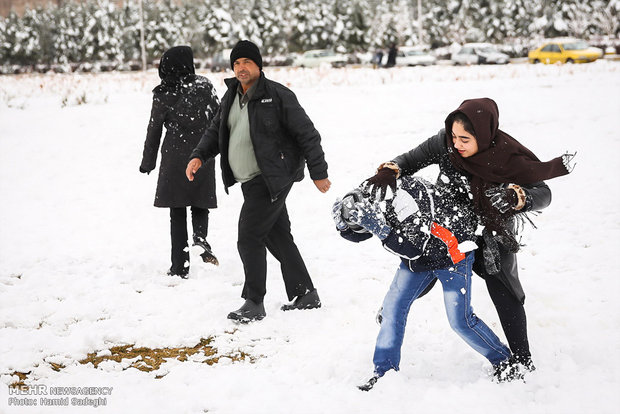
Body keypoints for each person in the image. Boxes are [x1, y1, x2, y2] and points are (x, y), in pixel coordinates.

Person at [365, 97, 575, 374]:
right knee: (424, 272)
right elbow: (410, 159)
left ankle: (522, 359)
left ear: (484, 135)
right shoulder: (444, 144)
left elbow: (543, 193)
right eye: (454, 136)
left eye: (465, 138)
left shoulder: (506, 155)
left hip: (491, 234)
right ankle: (394, 309)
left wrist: (517, 197)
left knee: (504, 291)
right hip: (448, 229)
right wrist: (388, 172)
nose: (457, 144)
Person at [186, 40, 331, 322]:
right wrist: (198, 156)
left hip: (272, 178)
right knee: (277, 236)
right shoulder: (231, 97)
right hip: (250, 181)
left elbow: (307, 134)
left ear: (258, 66)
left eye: (247, 63)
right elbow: (216, 131)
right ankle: (306, 294)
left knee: (249, 236)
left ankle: (254, 301)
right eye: (236, 63)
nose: (241, 68)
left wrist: (318, 172)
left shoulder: (277, 95)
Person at [333, 176, 512, 391]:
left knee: (460, 321)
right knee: (392, 309)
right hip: (419, 256)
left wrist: (378, 227)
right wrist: (343, 227)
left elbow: (412, 247)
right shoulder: (369, 194)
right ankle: (384, 373)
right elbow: (365, 231)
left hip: (452, 255)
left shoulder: (406, 199)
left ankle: (503, 360)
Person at [140, 46, 220, 278]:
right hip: (202, 153)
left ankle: (179, 265)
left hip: (174, 157)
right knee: (200, 202)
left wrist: (148, 162)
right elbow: (219, 118)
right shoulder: (205, 86)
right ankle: (200, 238)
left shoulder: (163, 93)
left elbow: (153, 129)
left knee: (177, 210)